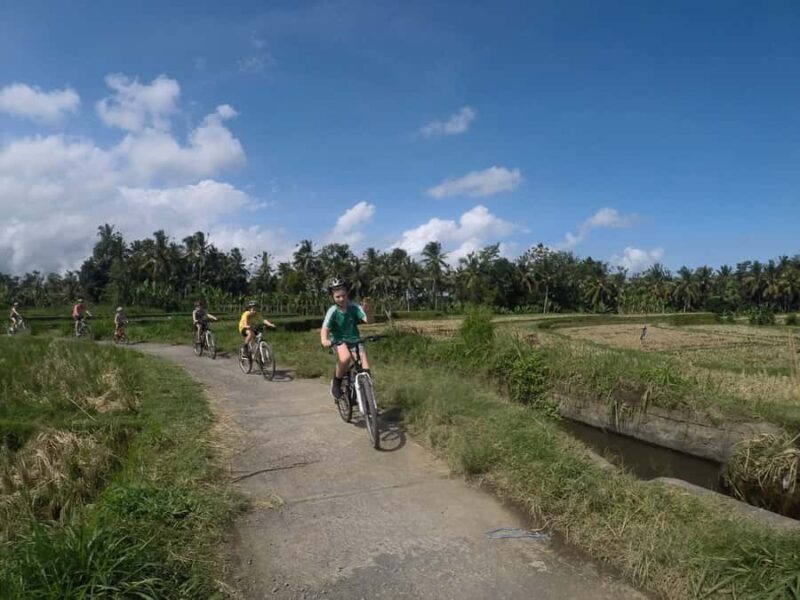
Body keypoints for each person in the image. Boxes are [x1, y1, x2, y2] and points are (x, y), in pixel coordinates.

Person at [320, 278, 371, 400]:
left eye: (343, 295)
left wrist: (368, 311)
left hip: (355, 340)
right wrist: (324, 340)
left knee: (366, 370)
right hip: (338, 340)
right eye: (338, 297)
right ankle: (336, 382)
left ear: (347, 294)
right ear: (333, 298)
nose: (341, 299)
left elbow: (369, 321)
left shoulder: (354, 307)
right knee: (345, 358)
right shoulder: (332, 311)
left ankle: (367, 399)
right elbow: (325, 328)